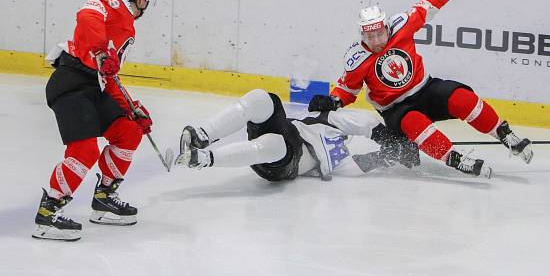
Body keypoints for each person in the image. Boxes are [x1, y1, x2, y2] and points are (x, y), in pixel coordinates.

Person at [307, 0, 533, 179]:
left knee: (462, 98)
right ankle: (455, 159)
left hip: (425, 88)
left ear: (386, 26)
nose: (375, 41)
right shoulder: (357, 58)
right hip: (396, 109)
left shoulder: (401, 25)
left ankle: (506, 135)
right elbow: (348, 89)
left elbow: (428, 6)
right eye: (369, 37)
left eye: (379, 34)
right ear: (362, 35)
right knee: (415, 122)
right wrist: (332, 101)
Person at [33, 0, 158, 241]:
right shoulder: (111, 2)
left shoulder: (127, 27)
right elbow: (86, 17)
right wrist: (101, 51)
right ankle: (48, 213)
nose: (147, 6)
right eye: (148, 0)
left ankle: (104, 198)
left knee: (128, 129)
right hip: (71, 83)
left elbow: (109, 75)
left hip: (93, 86)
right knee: (85, 150)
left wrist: (130, 107)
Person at [175, 89, 421, 180]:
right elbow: (365, 123)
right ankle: (202, 135)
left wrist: (389, 156)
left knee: (273, 144)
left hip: (286, 162)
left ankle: (203, 159)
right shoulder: (330, 119)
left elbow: (358, 165)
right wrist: (393, 143)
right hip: (288, 130)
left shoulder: (343, 159)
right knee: (262, 98)